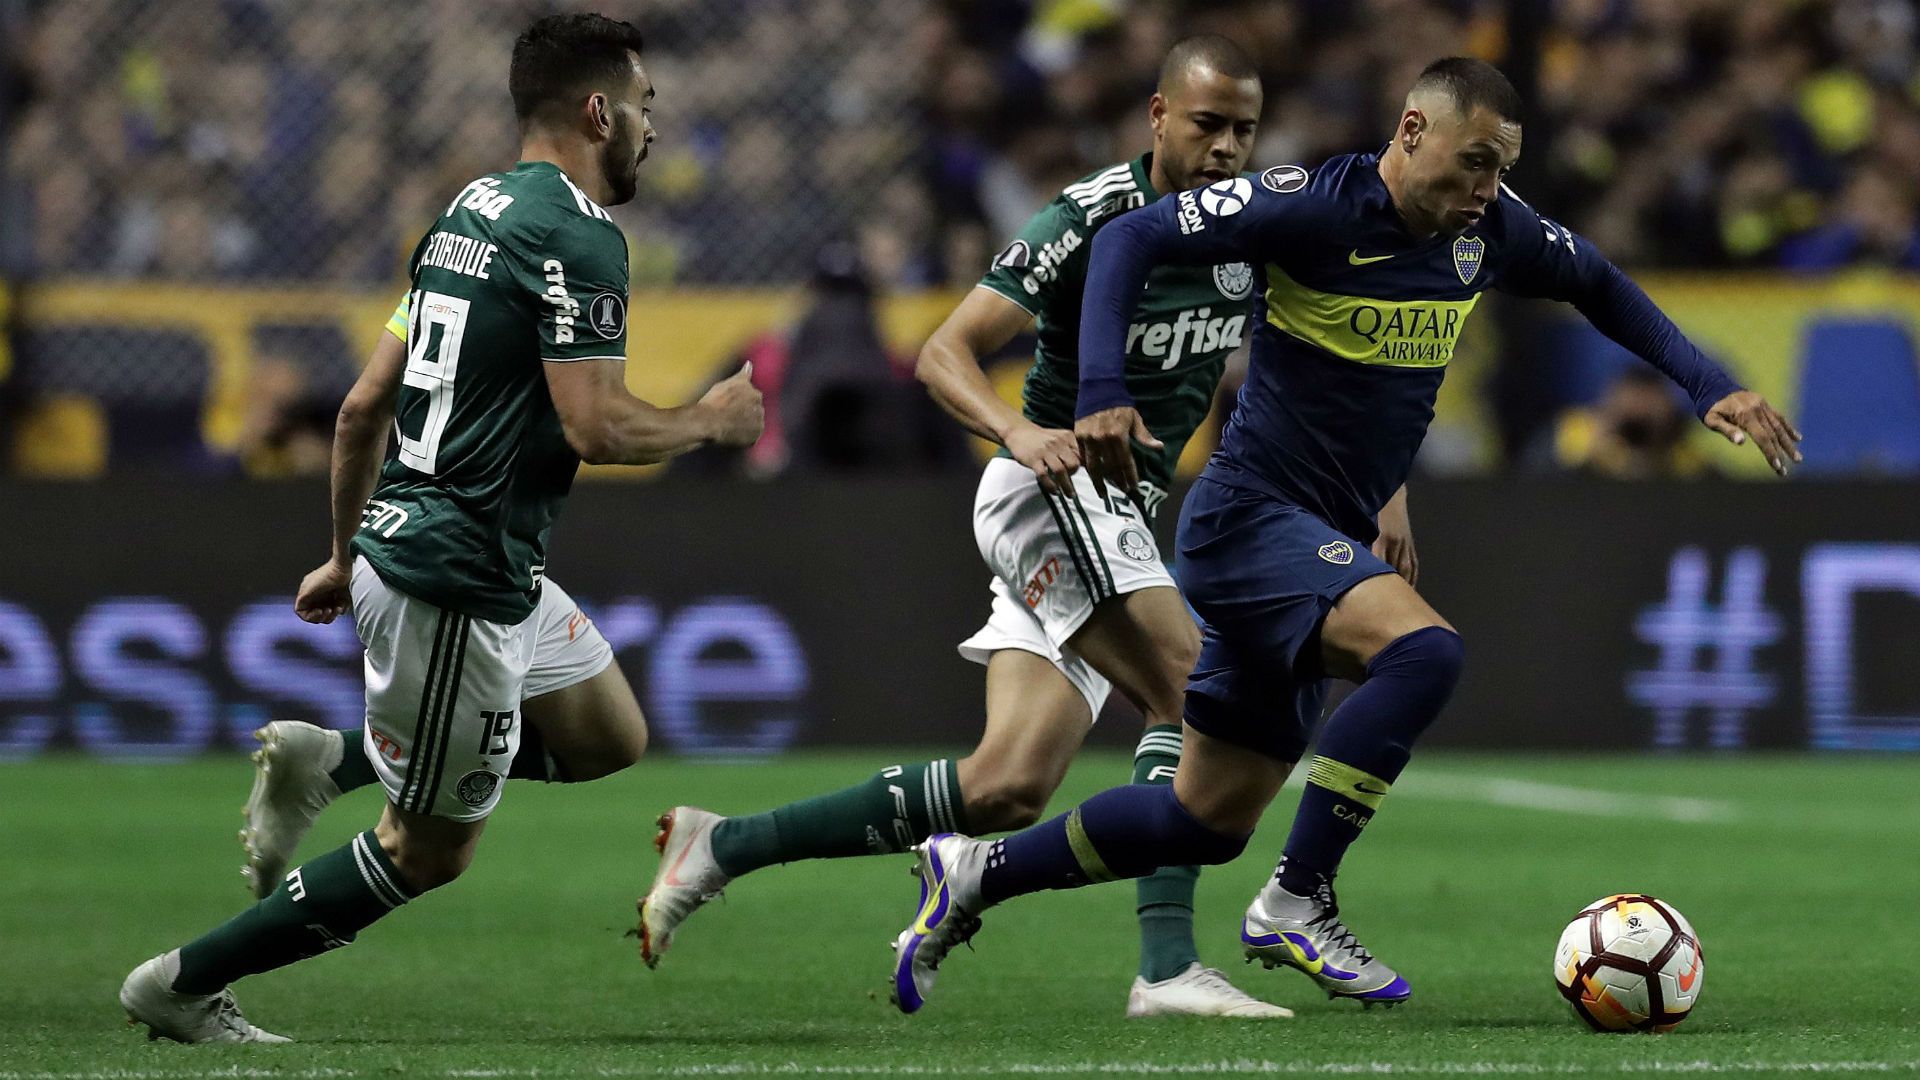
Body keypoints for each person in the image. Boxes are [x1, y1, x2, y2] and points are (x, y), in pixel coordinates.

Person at [887, 57, 1802, 1015]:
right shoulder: (1311, 207)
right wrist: (1104, 393)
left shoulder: (1488, 230)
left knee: (1201, 818)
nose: (1487, 189)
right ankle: (1297, 901)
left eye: (1502, 169)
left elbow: (1601, 283)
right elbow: (1131, 241)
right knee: (1423, 653)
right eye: (1473, 162)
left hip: (1310, 533)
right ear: (1411, 133)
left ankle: (976, 873)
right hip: (1248, 520)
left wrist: (1710, 385)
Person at [636, 37, 1414, 1019]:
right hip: (1046, 492)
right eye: (1207, 125)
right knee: (1199, 695)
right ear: (1159, 116)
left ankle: (723, 845)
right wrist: (1018, 426)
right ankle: (1167, 968)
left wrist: (1382, 490)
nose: (1225, 148)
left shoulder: (1254, 232)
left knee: (1005, 784)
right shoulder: (1089, 219)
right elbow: (942, 354)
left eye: (1244, 131)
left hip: (1116, 519)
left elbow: (1325, 370)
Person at [117, 13, 763, 1043]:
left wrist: (342, 554)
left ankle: (333, 762)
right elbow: (594, 426)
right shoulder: (580, 234)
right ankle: (183, 983)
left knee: (607, 738)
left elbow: (362, 406)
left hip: (443, 551)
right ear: (600, 111)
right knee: (426, 852)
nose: (652, 127)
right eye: (645, 105)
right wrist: (710, 421)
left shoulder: (466, 211)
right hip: (455, 575)